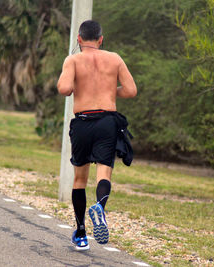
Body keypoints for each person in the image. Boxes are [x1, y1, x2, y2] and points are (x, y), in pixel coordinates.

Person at [57, 20, 137, 251]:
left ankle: (81, 233)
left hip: (83, 122)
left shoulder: (72, 60)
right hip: (107, 123)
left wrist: (77, 85)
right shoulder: (115, 58)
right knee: (104, 171)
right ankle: (100, 207)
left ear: (79, 39)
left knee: (80, 179)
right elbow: (131, 90)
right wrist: (108, 89)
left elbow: (64, 89)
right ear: (101, 40)